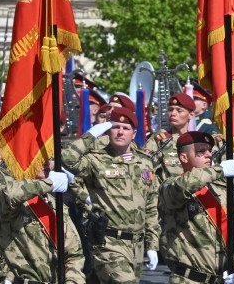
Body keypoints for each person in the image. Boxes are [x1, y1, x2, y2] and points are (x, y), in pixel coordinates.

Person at [62, 107, 160, 284]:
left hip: (137, 245)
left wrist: (152, 245)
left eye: (126, 127)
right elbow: (67, 159)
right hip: (108, 241)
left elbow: (151, 207)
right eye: (116, 126)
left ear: (134, 133)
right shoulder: (96, 160)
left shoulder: (145, 162)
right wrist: (89, 136)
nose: (120, 131)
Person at [159, 131, 234, 284]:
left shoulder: (219, 188)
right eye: (201, 151)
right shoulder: (171, 186)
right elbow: (185, 185)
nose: (208, 155)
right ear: (184, 157)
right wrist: (218, 171)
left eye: (209, 151)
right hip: (188, 278)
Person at [0, 162, 84, 284]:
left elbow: (74, 255)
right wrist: (48, 183)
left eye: (49, 157)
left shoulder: (57, 205)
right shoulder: (14, 204)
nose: (45, 162)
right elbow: (10, 196)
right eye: (38, 156)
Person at [144, 93, 197, 181]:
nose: (173, 114)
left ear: (191, 115)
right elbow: (144, 165)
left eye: (179, 111)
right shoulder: (160, 139)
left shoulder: (197, 141)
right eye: (170, 110)